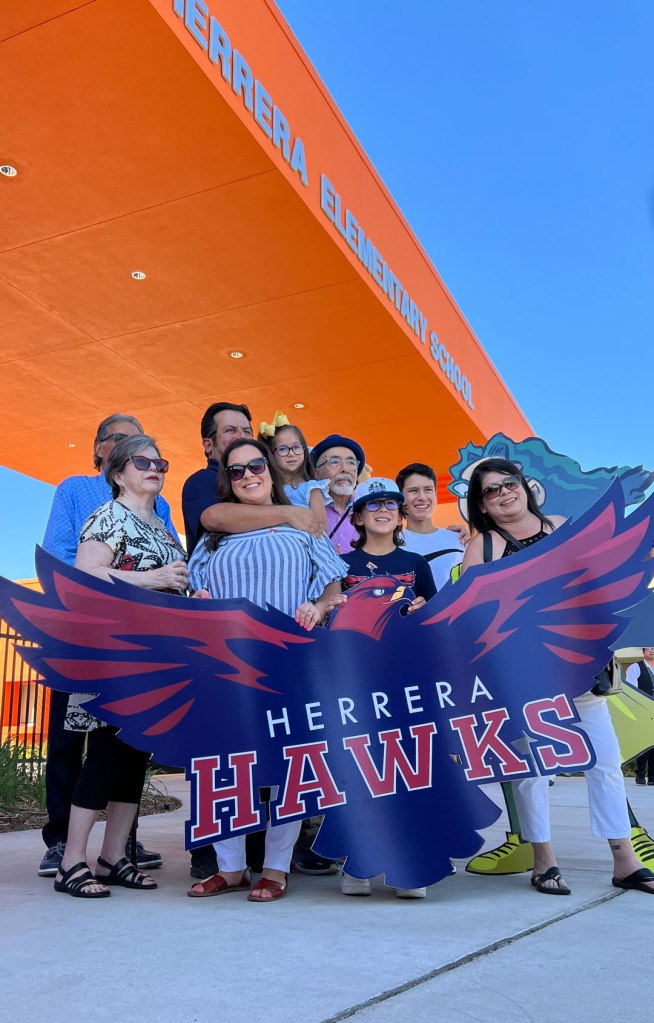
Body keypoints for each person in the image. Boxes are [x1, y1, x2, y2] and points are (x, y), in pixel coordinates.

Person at [461, 457, 654, 895]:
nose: (503, 493)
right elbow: (473, 614)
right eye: (490, 490)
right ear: (482, 504)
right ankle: (544, 861)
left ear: (524, 486)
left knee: (604, 761)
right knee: (533, 769)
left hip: (581, 666)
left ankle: (625, 860)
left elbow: (595, 585)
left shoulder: (561, 526)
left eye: (508, 483)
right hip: (524, 674)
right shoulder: (484, 546)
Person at [187, 438, 347, 902]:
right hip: (226, 663)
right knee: (224, 766)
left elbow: (333, 587)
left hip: (288, 659)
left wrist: (317, 607)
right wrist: (197, 603)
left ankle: (276, 867)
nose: (249, 475)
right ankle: (230, 867)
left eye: (256, 464)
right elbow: (197, 588)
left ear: (271, 470)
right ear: (228, 482)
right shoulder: (216, 538)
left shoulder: (304, 528)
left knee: (287, 764)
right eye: (236, 471)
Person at [38, 413, 177, 879]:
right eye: (143, 461)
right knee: (104, 752)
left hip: (153, 655)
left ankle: (114, 855)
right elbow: (83, 576)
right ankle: (72, 861)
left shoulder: (160, 524)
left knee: (135, 755)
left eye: (160, 461)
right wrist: (153, 577)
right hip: (113, 654)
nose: (154, 467)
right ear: (117, 472)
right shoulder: (108, 515)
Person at [338, 477, 436, 899]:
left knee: (408, 768)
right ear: (357, 516)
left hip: (405, 677)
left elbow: (436, 618)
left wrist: (424, 609)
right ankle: (358, 862)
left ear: (400, 515)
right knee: (358, 768)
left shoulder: (418, 562)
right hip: (353, 678)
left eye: (391, 504)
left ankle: (409, 862)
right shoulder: (338, 563)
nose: (383, 510)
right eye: (372, 504)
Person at [396, 462, 466, 591]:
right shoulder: (391, 544)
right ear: (401, 498)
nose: (422, 497)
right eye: (413, 491)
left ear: (436, 495)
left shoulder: (459, 540)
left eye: (428, 490)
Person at [259, 410, 330, 531]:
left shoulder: (311, 488)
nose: (291, 454)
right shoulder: (266, 487)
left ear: (304, 449)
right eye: (282, 449)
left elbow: (321, 528)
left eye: (296, 447)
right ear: (271, 454)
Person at [311, 433, 367, 555]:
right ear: (316, 473)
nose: (344, 469)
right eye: (334, 462)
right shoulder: (305, 509)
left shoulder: (368, 511)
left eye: (351, 463)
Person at [626, 648, 654, 785]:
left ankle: (653, 777)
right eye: (649, 648)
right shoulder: (635, 667)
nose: (652, 651)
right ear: (643, 651)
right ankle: (641, 775)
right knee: (644, 743)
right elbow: (632, 690)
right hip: (643, 709)